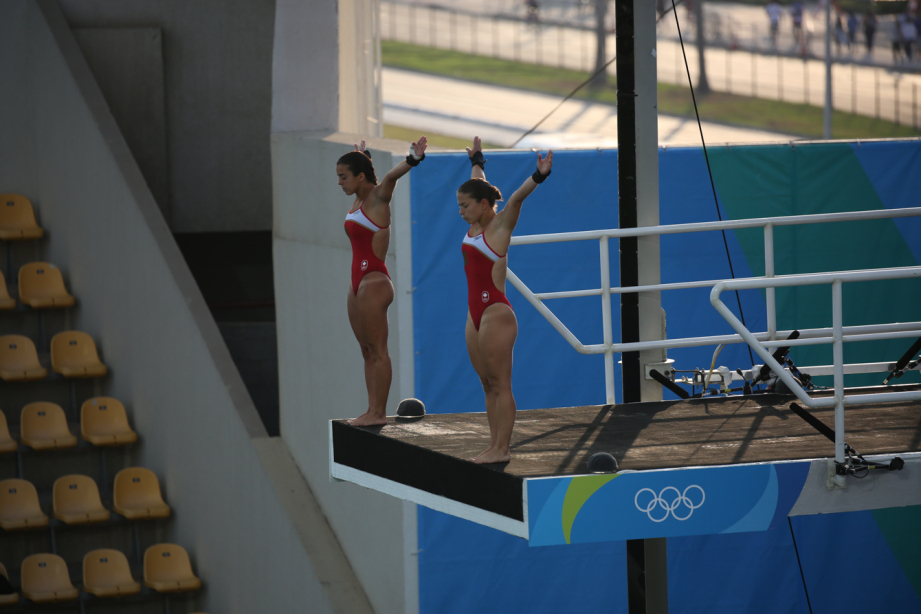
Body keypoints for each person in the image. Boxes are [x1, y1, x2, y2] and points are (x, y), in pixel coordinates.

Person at [458, 137, 552, 464]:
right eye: (459, 206)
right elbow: (479, 184)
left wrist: (539, 175)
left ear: (483, 205)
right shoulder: (475, 220)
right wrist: (477, 160)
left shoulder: (500, 227)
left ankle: (503, 448)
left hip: (496, 312)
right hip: (474, 314)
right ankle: (493, 444)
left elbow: (515, 198)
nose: (461, 211)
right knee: (486, 384)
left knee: (501, 383)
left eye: (465, 206)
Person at [337, 136, 427, 426]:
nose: (339, 182)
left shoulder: (377, 197)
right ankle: (371, 409)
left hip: (374, 281)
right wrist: (365, 157)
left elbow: (390, 177)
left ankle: (379, 413)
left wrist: (412, 159)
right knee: (366, 351)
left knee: (378, 351)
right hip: (357, 283)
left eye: (344, 176)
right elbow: (371, 174)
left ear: (360, 177)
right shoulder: (358, 200)